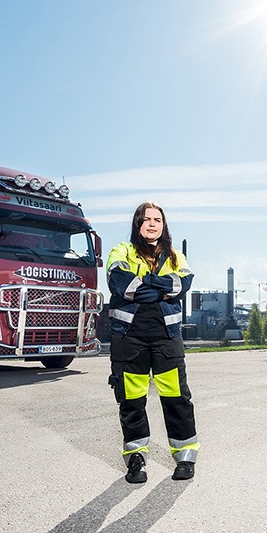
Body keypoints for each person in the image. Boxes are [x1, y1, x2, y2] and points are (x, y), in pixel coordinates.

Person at [106, 202, 199, 483]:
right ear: (137, 224)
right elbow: (119, 281)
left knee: (177, 398)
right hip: (129, 338)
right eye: (146, 219)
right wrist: (160, 288)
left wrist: (151, 286)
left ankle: (185, 457)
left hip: (166, 338)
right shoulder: (122, 251)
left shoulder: (175, 256)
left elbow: (183, 283)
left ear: (163, 225)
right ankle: (136, 460)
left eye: (157, 220)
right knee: (131, 401)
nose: (152, 224)